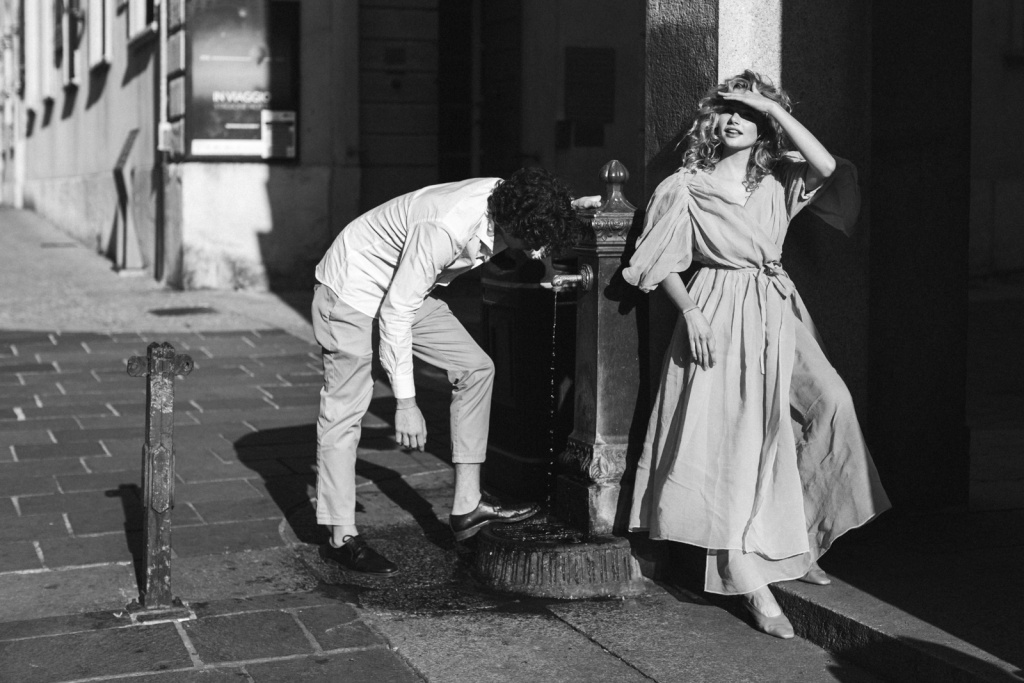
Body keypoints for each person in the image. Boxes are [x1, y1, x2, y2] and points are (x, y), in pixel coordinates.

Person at [623, 71, 891, 638]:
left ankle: (795, 540)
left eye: (747, 113)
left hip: (777, 307)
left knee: (831, 403)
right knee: (734, 444)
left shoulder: (778, 180)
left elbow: (827, 167)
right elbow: (659, 260)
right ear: (710, 120)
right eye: (726, 109)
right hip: (718, 309)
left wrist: (770, 106)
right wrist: (690, 313)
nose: (734, 119)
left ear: (765, 125)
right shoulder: (685, 186)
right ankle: (748, 581)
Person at [312, 167, 598, 576]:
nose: (535, 250)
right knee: (345, 410)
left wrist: (567, 209)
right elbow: (396, 314)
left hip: (402, 286)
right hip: (351, 289)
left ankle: (467, 506)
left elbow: (533, 213)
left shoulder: (510, 199)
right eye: (531, 242)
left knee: (476, 368)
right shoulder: (444, 229)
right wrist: (406, 403)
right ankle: (341, 537)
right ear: (509, 225)